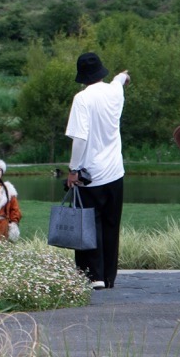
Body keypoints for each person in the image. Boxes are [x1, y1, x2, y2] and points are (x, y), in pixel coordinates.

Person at [64, 51, 130, 289]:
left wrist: (73, 170)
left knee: (88, 225)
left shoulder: (82, 99)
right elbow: (119, 81)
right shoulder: (114, 92)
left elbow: (80, 138)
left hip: (90, 175)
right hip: (115, 172)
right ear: (101, 71)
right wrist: (123, 76)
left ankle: (94, 276)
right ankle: (110, 276)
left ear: (82, 75)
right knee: (112, 224)